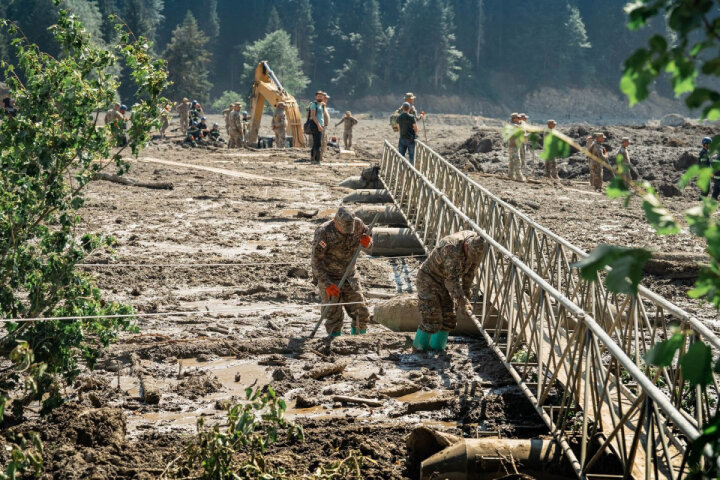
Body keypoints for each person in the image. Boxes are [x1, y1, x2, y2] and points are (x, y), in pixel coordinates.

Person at [412, 230, 485, 352]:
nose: (469, 259)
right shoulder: (452, 248)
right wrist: (463, 301)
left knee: (449, 319)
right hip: (429, 279)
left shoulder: (477, 247)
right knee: (431, 319)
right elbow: (452, 281)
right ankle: (418, 352)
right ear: (466, 246)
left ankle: (437, 349)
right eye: (468, 255)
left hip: (446, 281)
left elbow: (470, 274)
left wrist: (466, 293)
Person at [311, 207, 373, 336]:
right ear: (335, 221)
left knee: (360, 311)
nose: (347, 233)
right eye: (343, 229)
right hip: (329, 277)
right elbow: (316, 262)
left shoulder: (358, 225)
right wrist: (326, 284)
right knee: (333, 315)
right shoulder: (324, 232)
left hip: (350, 275)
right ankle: (334, 344)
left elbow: (370, 242)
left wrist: (368, 243)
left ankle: (359, 340)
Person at [309, 90, 325, 163]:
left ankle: (313, 159)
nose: (320, 97)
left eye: (321, 96)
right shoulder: (313, 104)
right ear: (316, 97)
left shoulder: (321, 105)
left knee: (316, 143)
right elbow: (313, 115)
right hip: (316, 126)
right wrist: (318, 125)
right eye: (318, 96)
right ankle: (317, 160)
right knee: (318, 143)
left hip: (320, 125)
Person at [507, 113, 524, 181]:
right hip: (514, 146)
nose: (519, 119)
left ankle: (510, 175)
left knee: (512, 161)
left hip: (512, 145)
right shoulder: (514, 126)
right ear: (514, 118)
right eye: (518, 118)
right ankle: (519, 176)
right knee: (517, 161)